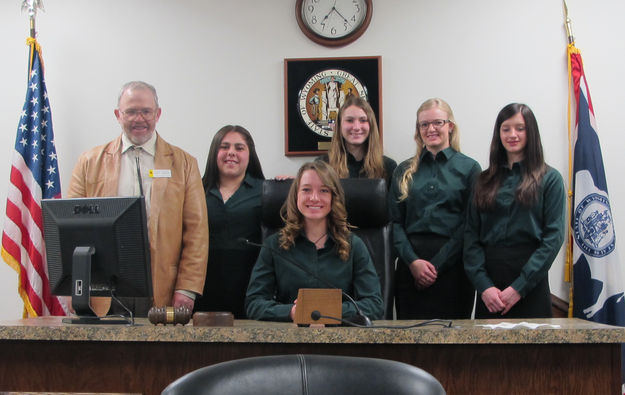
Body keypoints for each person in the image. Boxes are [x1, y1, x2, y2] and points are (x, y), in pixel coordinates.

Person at [67, 81, 208, 317]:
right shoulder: (88, 162)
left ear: (158, 114)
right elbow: (72, 231)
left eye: (146, 111)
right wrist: (76, 286)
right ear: (118, 115)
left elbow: (196, 232)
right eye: (131, 111)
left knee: (157, 354)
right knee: (102, 354)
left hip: (161, 287)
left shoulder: (184, 164)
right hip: (103, 289)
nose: (139, 118)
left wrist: (188, 288)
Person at [245, 161, 383, 322]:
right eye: (306, 190)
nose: (314, 197)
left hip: (341, 340)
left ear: (333, 197)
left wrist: (327, 311)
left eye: (324, 190)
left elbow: (374, 305)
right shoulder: (274, 245)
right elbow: (254, 304)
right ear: (296, 195)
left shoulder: (354, 245)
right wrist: (292, 312)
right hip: (289, 340)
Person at [464, 103, 565, 318]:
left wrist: (519, 287)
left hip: (531, 281)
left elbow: (553, 238)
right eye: (506, 128)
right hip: (489, 288)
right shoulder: (482, 180)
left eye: (520, 128)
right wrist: (483, 286)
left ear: (531, 132)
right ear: (498, 133)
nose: (512, 134)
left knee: (532, 352)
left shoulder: (550, 179)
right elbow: (471, 237)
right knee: (487, 352)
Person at [389, 98, 481, 319]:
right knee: (409, 343)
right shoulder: (403, 169)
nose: (431, 129)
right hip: (411, 266)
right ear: (418, 130)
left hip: (454, 267)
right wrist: (413, 262)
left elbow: (470, 224)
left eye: (437, 122)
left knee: (453, 346)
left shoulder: (470, 168)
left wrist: (437, 265)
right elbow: (395, 223)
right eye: (424, 124)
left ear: (450, 126)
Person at [194, 125, 265, 318]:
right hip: (203, 286)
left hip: (249, 286)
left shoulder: (266, 191)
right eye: (224, 147)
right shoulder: (194, 190)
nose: (231, 153)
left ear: (250, 154)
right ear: (214, 152)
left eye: (239, 148)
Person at [319, 96, 397, 188]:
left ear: (371, 125)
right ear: (339, 126)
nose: (356, 127)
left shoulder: (388, 167)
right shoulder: (323, 165)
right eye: (349, 120)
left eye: (363, 120)